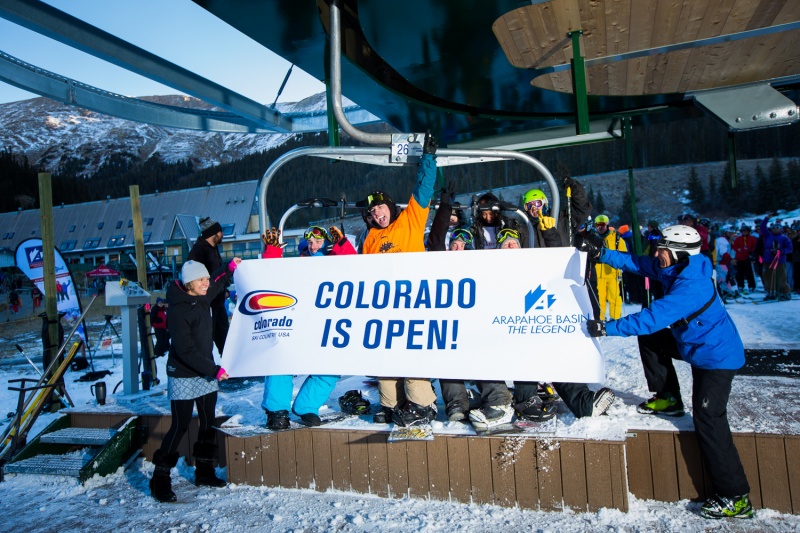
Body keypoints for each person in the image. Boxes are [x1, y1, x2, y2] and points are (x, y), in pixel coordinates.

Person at [581, 225, 753, 519]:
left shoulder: (691, 287)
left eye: (661, 249)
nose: (656, 253)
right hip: (694, 346)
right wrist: (602, 253)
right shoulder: (675, 267)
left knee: (709, 419)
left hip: (716, 358)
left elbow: (651, 318)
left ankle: (735, 496)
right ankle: (669, 397)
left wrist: (608, 327)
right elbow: (637, 263)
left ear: (677, 253)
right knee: (651, 340)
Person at [512, 181, 615, 421]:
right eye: (530, 205)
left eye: (538, 204)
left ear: (546, 204)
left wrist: (576, 190)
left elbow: (581, 212)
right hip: (531, 288)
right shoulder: (523, 225)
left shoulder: (560, 219)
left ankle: (581, 401)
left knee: (558, 342)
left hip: (559, 286)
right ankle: (527, 397)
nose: (535, 209)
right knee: (527, 339)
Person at [360, 131, 439, 427]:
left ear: (390, 206)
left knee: (411, 350)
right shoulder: (370, 239)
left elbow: (424, 188)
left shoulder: (410, 219)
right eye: (372, 211)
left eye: (380, 207)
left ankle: (422, 402)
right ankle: (391, 403)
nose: (378, 213)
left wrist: (428, 158)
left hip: (414, 297)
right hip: (384, 304)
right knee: (386, 353)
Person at [149, 257, 240, 503]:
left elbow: (218, 284)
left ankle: (205, 472)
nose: (206, 283)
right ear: (190, 283)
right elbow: (185, 351)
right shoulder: (177, 311)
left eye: (206, 278)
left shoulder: (201, 294)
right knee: (179, 426)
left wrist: (229, 268)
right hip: (184, 373)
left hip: (206, 370)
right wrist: (214, 369)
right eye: (202, 279)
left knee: (208, 422)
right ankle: (160, 479)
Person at [259, 225, 356, 430]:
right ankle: (277, 411)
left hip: (326, 324)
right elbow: (271, 276)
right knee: (281, 362)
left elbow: (356, 268)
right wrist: (272, 252)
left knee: (330, 367)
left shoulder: (337, 264)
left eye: (318, 242)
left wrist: (342, 246)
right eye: (310, 242)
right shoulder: (298, 265)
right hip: (298, 322)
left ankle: (306, 406)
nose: (313, 246)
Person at [188, 216, 229, 354]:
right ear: (214, 233)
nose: (222, 234)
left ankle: (230, 368)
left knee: (225, 338)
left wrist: (225, 288)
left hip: (218, 301)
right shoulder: (198, 252)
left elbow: (218, 271)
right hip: (206, 304)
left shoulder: (214, 248)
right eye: (220, 232)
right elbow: (192, 278)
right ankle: (206, 369)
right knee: (205, 341)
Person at [593, 215, 627, 320]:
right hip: (598, 274)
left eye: (602, 224)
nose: (600, 227)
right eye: (597, 225)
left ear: (607, 224)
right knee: (599, 299)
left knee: (615, 298)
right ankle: (600, 319)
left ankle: (615, 319)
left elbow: (624, 256)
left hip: (613, 273)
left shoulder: (617, 239)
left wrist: (622, 268)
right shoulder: (592, 238)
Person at [759, 216, 793, 301]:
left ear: (781, 229)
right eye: (773, 228)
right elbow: (762, 227)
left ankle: (785, 292)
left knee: (781, 277)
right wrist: (766, 218)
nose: (775, 229)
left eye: (777, 228)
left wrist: (780, 251)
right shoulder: (768, 236)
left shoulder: (784, 238)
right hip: (768, 260)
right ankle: (771, 292)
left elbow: (789, 248)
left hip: (779, 261)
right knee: (767, 277)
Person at [731, 224, 757, 294]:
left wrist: (751, 252)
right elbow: (734, 246)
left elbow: (755, 246)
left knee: (749, 273)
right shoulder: (738, 239)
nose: (744, 232)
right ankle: (740, 286)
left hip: (748, 258)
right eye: (743, 231)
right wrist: (738, 249)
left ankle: (751, 286)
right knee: (740, 273)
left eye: (746, 231)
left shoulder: (752, 238)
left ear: (748, 231)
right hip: (739, 258)